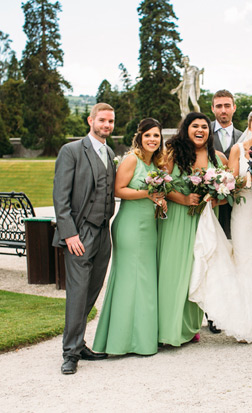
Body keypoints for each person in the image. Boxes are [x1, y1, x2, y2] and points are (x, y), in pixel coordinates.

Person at [189, 107, 252, 343]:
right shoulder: (237, 149)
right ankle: (244, 323)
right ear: (250, 126)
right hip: (243, 213)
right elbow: (231, 182)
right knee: (244, 264)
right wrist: (250, 176)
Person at [92, 118, 167, 355]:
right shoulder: (132, 159)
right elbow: (118, 190)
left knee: (144, 282)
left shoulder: (155, 163)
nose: (152, 140)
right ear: (140, 137)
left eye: (156, 136)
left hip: (149, 226)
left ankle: (142, 339)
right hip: (131, 227)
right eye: (148, 136)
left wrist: (160, 201)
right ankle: (119, 341)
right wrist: (148, 193)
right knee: (128, 281)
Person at [52, 103, 116, 374]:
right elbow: (60, 196)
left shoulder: (110, 152)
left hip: (103, 232)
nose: (106, 125)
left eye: (111, 121)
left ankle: (78, 343)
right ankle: (70, 354)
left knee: (92, 290)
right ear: (90, 120)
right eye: (102, 120)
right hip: (80, 233)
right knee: (78, 294)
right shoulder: (72, 151)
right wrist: (69, 234)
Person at [157, 112, 228, 346]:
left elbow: (229, 193)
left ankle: (189, 327)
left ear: (210, 132)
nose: (200, 130)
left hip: (205, 221)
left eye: (205, 127)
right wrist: (184, 199)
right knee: (176, 270)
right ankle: (169, 328)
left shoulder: (218, 159)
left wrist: (216, 199)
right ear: (186, 128)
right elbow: (159, 185)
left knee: (199, 269)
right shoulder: (172, 154)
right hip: (179, 219)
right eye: (195, 126)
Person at [207, 89, 243, 333]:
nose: (223, 110)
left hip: (238, 212)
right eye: (218, 106)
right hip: (209, 209)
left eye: (227, 105)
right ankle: (212, 315)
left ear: (234, 108)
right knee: (211, 258)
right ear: (212, 108)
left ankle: (234, 311)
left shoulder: (245, 137)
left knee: (235, 259)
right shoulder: (201, 133)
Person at [170, 56, 204, 120]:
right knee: (184, 104)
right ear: (183, 62)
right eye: (184, 60)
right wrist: (176, 89)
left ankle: (200, 117)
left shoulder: (193, 68)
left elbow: (198, 73)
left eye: (186, 59)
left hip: (191, 86)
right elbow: (183, 81)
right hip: (185, 87)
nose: (185, 61)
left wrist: (201, 72)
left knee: (194, 102)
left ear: (188, 60)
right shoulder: (184, 71)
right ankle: (186, 119)